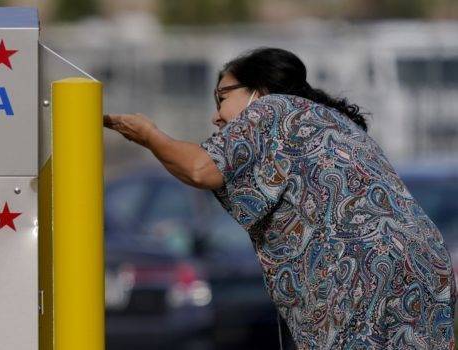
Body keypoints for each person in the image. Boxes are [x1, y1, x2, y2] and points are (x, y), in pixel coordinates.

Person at [103, 47, 456, 349]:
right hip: (426, 268)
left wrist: (147, 135)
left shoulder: (269, 110)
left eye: (222, 97)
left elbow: (200, 169)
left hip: (360, 273)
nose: (216, 115)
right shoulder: (329, 120)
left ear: (258, 90)